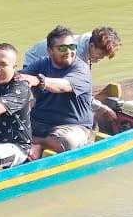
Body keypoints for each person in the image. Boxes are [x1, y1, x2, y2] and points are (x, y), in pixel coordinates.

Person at [23, 26, 121, 129]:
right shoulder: (74, 56)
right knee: (53, 98)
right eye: (100, 54)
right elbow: (72, 86)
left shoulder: (92, 39)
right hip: (34, 61)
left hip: (52, 62)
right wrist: (100, 107)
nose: (101, 58)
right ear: (92, 46)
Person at [22, 25, 94, 159]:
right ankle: (34, 144)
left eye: (72, 47)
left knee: (66, 141)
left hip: (73, 126)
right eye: (62, 48)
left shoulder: (81, 69)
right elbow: (20, 78)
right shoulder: (42, 63)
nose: (68, 51)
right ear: (50, 51)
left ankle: (35, 143)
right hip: (39, 123)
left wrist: (39, 80)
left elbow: (63, 86)